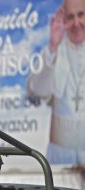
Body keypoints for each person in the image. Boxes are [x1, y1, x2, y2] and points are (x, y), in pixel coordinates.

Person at [28, 0, 85, 164]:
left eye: (81, 15)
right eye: (70, 17)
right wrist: (53, 46)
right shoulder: (53, 50)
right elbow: (38, 90)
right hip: (60, 155)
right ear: (64, 21)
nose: (76, 23)